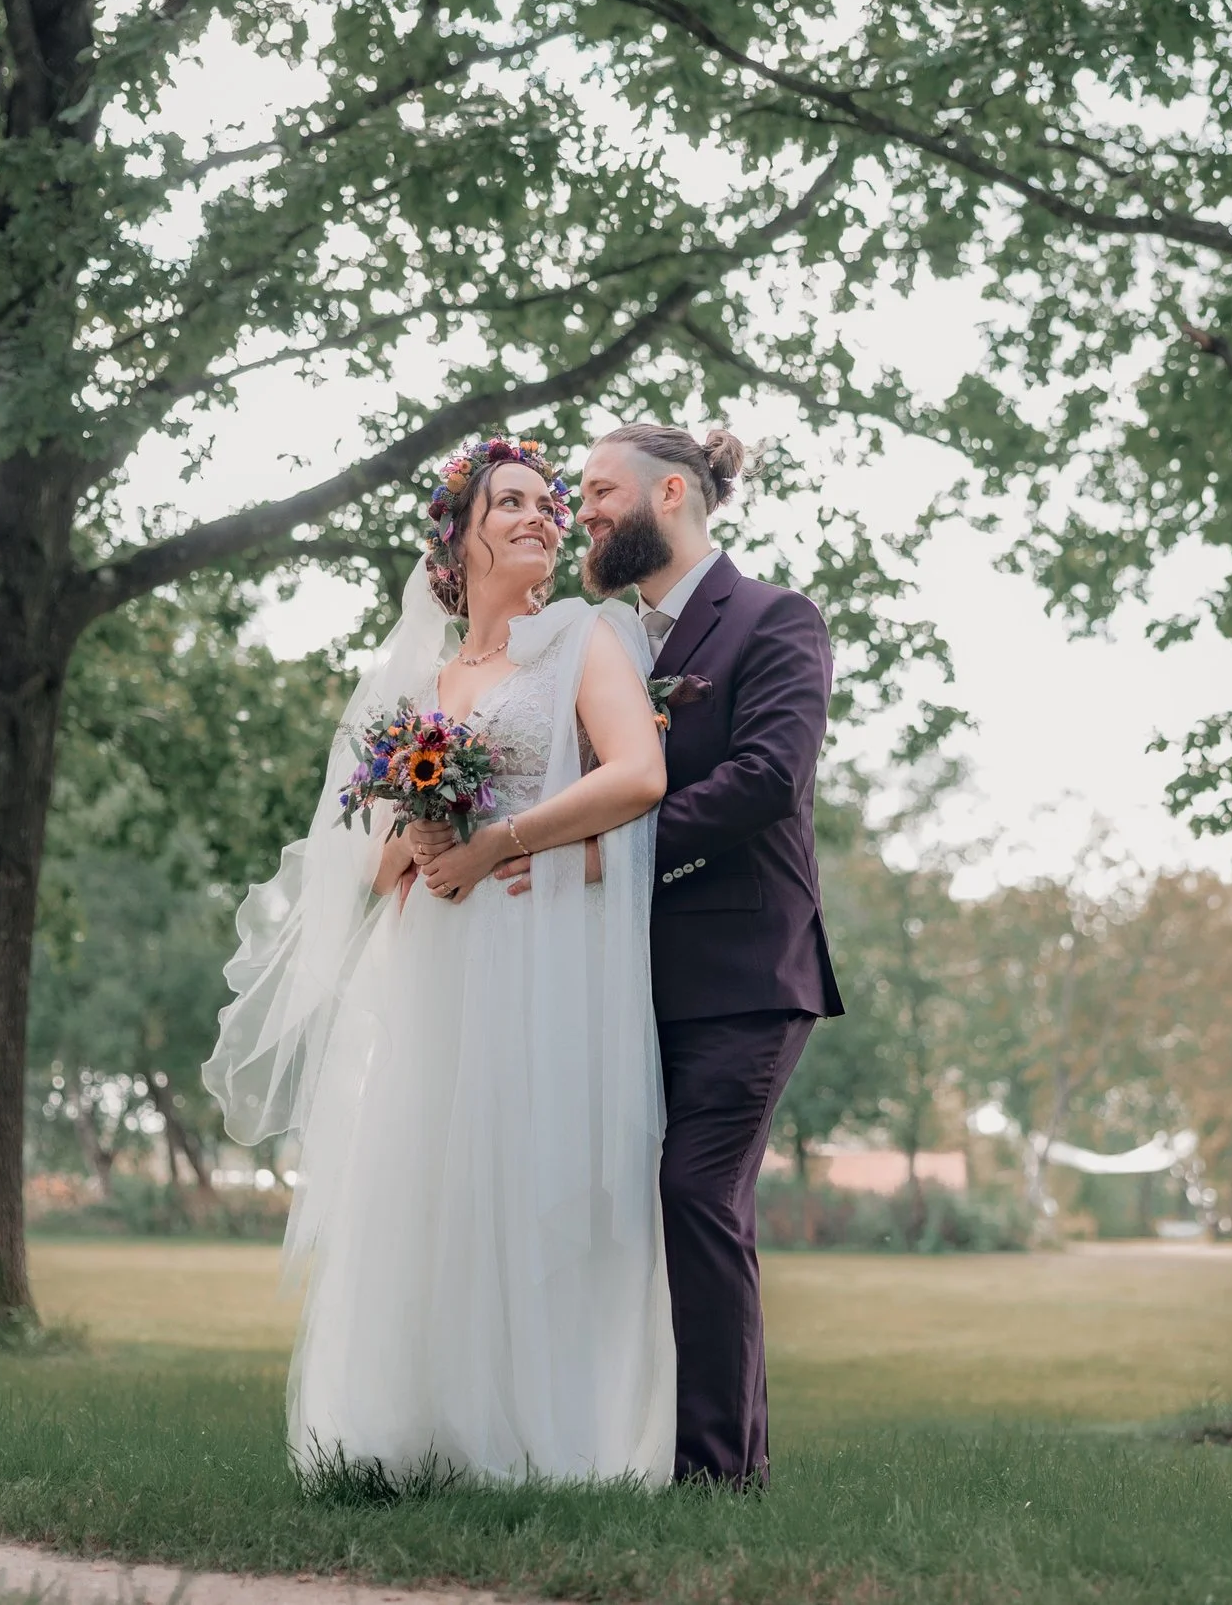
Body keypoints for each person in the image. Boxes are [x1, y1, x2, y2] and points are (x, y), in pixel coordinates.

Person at [202, 438, 674, 1483]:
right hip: (431, 967)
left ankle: (541, 1439)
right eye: (510, 502)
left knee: (530, 1168)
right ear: (459, 539)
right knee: (429, 1183)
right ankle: (414, 1434)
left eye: (549, 503)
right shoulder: (420, 682)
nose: (541, 515)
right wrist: (415, 842)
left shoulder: (584, 640)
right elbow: (375, 871)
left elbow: (640, 774)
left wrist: (500, 843)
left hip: (537, 943)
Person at [470, 423, 843, 1489]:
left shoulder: (775, 620)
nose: (576, 510)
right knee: (625, 1207)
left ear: (669, 491)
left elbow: (769, 778)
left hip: (744, 972)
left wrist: (606, 846)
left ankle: (722, 1473)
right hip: (623, 981)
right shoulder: (612, 645)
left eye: (593, 490)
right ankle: (621, 1446)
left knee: (695, 1194)